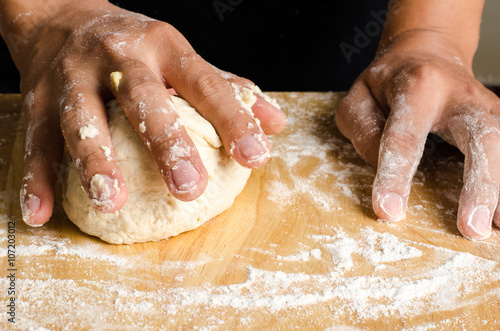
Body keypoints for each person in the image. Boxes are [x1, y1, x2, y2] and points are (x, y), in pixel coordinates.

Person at [0, 0, 498, 241]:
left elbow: (435, 25)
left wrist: (432, 32)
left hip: (336, 46)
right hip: (76, 65)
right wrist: (47, 15)